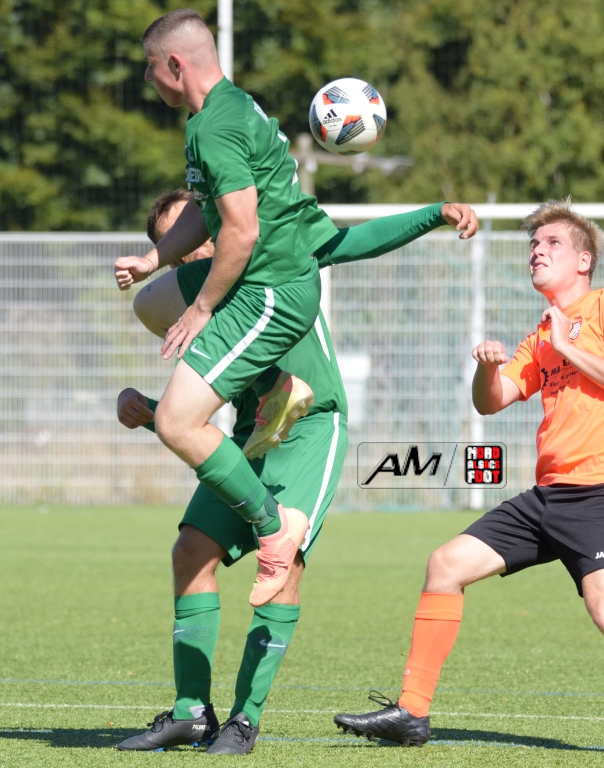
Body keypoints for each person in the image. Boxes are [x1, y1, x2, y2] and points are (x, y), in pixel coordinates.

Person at [332, 200, 604, 760]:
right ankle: (411, 713)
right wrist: (487, 367)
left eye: (552, 243)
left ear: (584, 260)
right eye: (533, 245)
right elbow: (491, 401)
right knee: (446, 565)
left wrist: (568, 347)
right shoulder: (542, 332)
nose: (537, 251)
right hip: (549, 495)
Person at [116, 192, 479, 754]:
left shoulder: (271, 254)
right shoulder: (195, 303)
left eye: (199, 231)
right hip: (250, 434)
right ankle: (191, 712)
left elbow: (352, 241)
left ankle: (244, 719)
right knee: (191, 552)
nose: (194, 250)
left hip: (312, 427)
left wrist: (436, 213)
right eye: (178, 246)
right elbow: (192, 413)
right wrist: (147, 408)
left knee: (284, 566)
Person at [112, 9, 343, 609]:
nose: (147, 79)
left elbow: (239, 230)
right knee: (177, 422)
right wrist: (155, 258)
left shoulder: (214, 125)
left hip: (268, 292)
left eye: (149, 67)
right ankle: (271, 498)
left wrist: (202, 308)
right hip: (273, 292)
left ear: (174, 64)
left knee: (176, 423)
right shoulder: (226, 111)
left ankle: (272, 529)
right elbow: (207, 208)